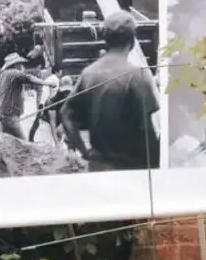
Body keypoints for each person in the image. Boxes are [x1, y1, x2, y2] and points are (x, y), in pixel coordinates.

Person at [61, 11, 161, 171]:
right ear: (132, 41)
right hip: (132, 170)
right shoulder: (137, 76)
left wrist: (84, 151)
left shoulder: (88, 73)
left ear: (106, 40)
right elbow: (148, 130)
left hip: (98, 167)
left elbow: (66, 114)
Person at [0, 53, 55, 140]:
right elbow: (29, 78)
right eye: (20, 64)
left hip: (2, 113)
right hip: (10, 115)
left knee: (0, 141)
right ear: (15, 64)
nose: (21, 66)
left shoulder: (2, 75)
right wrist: (48, 83)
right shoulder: (15, 73)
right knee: (23, 142)